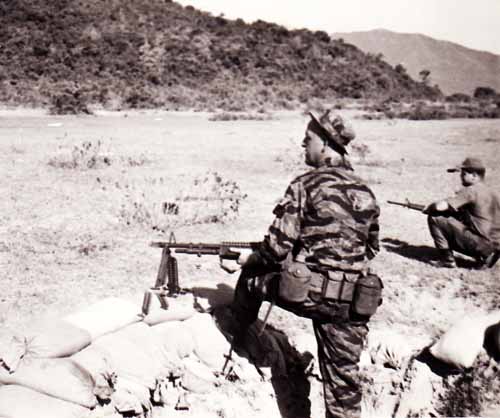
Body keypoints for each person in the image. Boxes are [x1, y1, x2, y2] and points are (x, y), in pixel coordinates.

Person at [220, 109, 380, 418]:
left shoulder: (305, 184)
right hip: (353, 303)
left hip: (313, 295)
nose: (302, 144)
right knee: (344, 386)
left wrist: (246, 260)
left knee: (254, 274)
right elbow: (371, 248)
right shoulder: (365, 192)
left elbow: (276, 248)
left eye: (307, 139)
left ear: (324, 143)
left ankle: (239, 338)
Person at [423, 157, 500, 269]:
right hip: (496, 247)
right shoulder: (493, 192)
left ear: (474, 176)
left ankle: (447, 260)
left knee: (436, 217)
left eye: (464, 174)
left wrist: (430, 207)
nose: (460, 177)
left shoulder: (471, 190)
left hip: (483, 246)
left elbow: (440, 207)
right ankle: (486, 258)